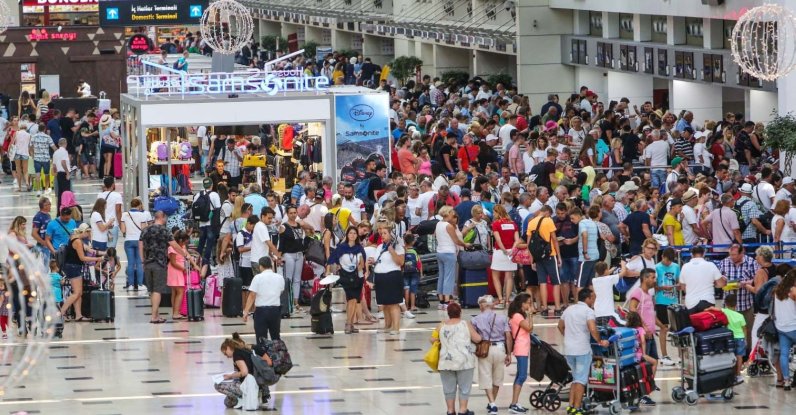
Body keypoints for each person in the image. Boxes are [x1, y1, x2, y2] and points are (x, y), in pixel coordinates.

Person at [559, 288, 608, 415]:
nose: (594, 301)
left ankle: (570, 406)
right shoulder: (588, 311)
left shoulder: (568, 309)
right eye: (593, 298)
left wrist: (569, 336)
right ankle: (577, 407)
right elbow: (592, 328)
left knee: (575, 378)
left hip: (569, 349)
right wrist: (600, 341)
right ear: (587, 298)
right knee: (581, 380)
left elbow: (560, 326)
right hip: (582, 350)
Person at [433, 302, 482, 415]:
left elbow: (432, 340)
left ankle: (450, 411)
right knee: (464, 387)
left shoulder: (441, 325)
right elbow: (478, 339)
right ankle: (462, 410)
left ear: (448, 313)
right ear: (460, 312)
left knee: (448, 388)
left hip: (446, 362)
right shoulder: (465, 324)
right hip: (464, 361)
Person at [626, 268, 659, 406]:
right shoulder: (637, 293)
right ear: (644, 278)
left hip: (651, 336)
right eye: (652, 277)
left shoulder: (648, 294)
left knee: (654, 362)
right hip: (643, 337)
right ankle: (643, 393)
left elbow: (651, 314)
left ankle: (647, 388)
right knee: (645, 365)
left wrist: (661, 326)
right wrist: (644, 327)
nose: (654, 280)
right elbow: (632, 309)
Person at [718, 243, 758, 354]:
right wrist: (723, 281)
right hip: (729, 306)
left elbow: (756, 280)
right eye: (730, 254)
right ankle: (730, 353)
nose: (732, 257)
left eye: (735, 255)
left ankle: (748, 354)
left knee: (748, 330)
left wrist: (745, 283)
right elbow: (718, 281)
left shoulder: (751, 263)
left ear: (742, 253)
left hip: (745, 303)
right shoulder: (724, 262)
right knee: (729, 330)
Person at [327, 227, 367, 334]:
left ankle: (351, 324)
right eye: (350, 233)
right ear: (347, 235)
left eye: (355, 233)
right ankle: (348, 323)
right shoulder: (341, 248)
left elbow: (363, 262)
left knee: (355, 300)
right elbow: (331, 260)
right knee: (351, 299)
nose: (353, 235)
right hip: (346, 276)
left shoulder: (359, 248)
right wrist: (329, 272)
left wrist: (362, 268)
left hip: (358, 276)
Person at [59, 223, 103, 322]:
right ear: (85, 231)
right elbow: (82, 257)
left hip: (73, 266)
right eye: (89, 233)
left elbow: (89, 249)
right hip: (73, 267)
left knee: (78, 293)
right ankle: (61, 312)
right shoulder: (78, 241)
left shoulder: (74, 238)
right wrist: (98, 258)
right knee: (77, 293)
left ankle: (78, 315)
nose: (89, 235)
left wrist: (103, 253)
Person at [140, 211, 176, 324]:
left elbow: (140, 245)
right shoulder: (165, 230)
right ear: (163, 217)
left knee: (152, 291)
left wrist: (142, 261)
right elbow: (174, 244)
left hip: (147, 263)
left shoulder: (145, 230)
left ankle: (157, 314)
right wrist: (186, 254)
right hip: (159, 264)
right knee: (157, 290)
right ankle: (153, 317)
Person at [527, 205, 563, 315]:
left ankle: (545, 308)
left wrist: (531, 259)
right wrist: (559, 256)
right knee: (556, 282)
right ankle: (557, 308)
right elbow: (554, 240)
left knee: (542, 282)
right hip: (549, 255)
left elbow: (529, 244)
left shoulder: (531, 222)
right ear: (547, 212)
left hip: (537, 257)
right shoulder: (548, 221)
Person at [370, 221, 404, 335]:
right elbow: (378, 260)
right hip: (381, 276)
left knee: (393, 303)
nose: (382, 235)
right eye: (382, 233)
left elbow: (400, 262)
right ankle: (387, 325)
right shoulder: (380, 247)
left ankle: (396, 327)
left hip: (392, 276)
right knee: (384, 304)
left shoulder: (397, 246)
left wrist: (392, 252)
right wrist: (373, 261)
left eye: (385, 233)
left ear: (391, 234)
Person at [216, 333, 267, 409]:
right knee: (227, 402)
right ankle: (246, 397)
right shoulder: (245, 350)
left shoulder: (237, 354)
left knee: (217, 385)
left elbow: (244, 372)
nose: (226, 356)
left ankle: (242, 398)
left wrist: (230, 376)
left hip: (249, 386)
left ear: (228, 347)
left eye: (225, 352)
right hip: (257, 385)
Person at [435, 207, 470, 308]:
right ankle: (447, 301)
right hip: (449, 252)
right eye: (452, 212)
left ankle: (441, 301)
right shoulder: (449, 226)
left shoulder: (438, 224)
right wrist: (465, 245)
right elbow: (456, 241)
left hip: (440, 251)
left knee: (441, 276)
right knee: (449, 277)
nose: (453, 214)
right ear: (448, 213)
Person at [243, 257, 285, 341]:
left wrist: (246, 311)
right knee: (276, 337)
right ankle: (277, 353)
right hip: (275, 311)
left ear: (261, 266)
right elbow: (280, 291)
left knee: (261, 339)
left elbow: (252, 296)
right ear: (271, 265)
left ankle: (263, 353)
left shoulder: (257, 278)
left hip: (261, 311)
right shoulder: (280, 277)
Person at [277, 205, 309, 313]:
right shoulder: (284, 226)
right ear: (287, 214)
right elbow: (281, 243)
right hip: (288, 255)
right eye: (290, 213)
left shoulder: (299, 225)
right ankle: (288, 302)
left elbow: (306, 234)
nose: (293, 215)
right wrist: (279, 256)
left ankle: (296, 302)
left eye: (294, 212)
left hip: (299, 254)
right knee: (289, 279)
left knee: (297, 280)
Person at [624, 311, 659, 403]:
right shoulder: (640, 329)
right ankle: (651, 381)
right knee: (654, 362)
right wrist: (644, 353)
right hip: (638, 355)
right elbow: (643, 341)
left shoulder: (627, 329)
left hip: (629, 355)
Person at [680, 245, 727, 312]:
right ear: (704, 253)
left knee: (692, 322)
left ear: (691, 254)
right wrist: (715, 284)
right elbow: (721, 284)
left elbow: (683, 288)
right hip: (707, 301)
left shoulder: (685, 267)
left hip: (690, 302)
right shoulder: (711, 265)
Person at [491, 204, 521, 309]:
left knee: (495, 275)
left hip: (500, 251)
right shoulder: (513, 224)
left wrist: (504, 250)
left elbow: (498, 240)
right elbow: (517, 240)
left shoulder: (496, 224)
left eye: (494, 212)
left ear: (497, 212)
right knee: (509, 276)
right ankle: (508, 301)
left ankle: (500, 299)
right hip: (511, 252)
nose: (493, 214)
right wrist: (512, 249)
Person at [507, 293, 533, 414]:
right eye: (528, 302)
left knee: (519, 375)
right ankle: (513, 403)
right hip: (521, 348)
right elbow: (529, 328)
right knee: (522, 376)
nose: (530, 305)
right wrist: (531, 315)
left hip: (522, 347)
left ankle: (515, 402)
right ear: (522, 304)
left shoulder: (517, 315)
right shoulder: (517, 316)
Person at [120, 197, 152, 291]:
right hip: (139, 241)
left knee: (130, 263)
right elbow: (144, 229)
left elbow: (123, 230)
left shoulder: (125, 215)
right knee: (139, 263)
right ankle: (140, 284)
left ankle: (130, 285)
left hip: (128, 240)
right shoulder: (142, 215)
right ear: (139, 205)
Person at [654, 248, 680, 366]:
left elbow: (679, 282)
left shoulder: (676, 267)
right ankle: (664, 355)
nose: (668, 263)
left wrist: (678, 286)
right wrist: (663, 288)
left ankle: (680, 355)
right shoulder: (656, 268)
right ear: (662, 256)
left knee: (677, 329)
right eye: (666, 260)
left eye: (670, 261)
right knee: (663, 328)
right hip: (661, 301)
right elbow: (653, 286)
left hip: (673, 300)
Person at [774, 270, 796, 390]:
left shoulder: (777, 291)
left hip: (781, 327)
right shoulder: (793, 290)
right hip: (793, 327)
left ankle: (786, 381)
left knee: (784, 354)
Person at [720, 293, 747, 385]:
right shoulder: (740, 316)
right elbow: (744, 329)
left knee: (729, 355)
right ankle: (738, 374)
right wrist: (745, 339)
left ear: (725, 304)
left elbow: (715, 309)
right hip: (740, 338)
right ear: (736, 305)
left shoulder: (723, 312)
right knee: (739, 356)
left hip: (729, 338)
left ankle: (729, 374)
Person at [194, 178, 222, 265]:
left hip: (201, 223)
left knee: (201, 244)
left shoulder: (198, 195)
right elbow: (218, 208)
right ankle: (206, 264)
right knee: (209, 244)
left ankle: (196, 262)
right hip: (211, 223)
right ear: (212, 185)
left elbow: (194, 208)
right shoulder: (214, 194)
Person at [97, 177, 124, 250]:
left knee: (103, 247)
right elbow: (118, 211)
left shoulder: (99, 195)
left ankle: (105, 261)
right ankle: (111, 261)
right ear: (113, 184)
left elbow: (98, 209)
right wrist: (121, 225)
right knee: (111, 249)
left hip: (102, 225)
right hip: (113, 225)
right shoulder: (117, 195)